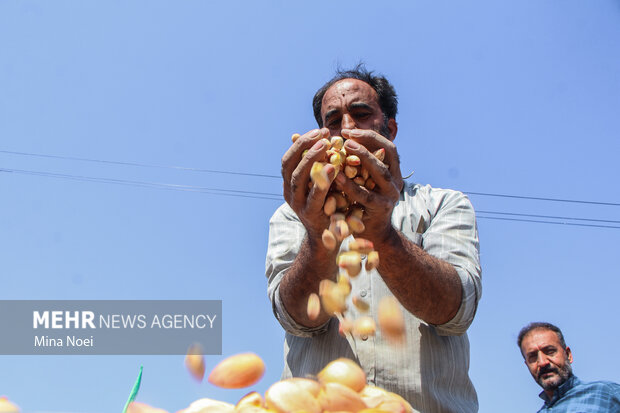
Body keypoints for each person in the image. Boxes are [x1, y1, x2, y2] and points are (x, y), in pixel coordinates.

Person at [265, 65, 482, 413]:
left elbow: (454, 310)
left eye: (361, 114)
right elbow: (295, 317)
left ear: (390, 129)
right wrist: (319, 238)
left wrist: (382, 234)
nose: (347, 129)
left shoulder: (442, 204)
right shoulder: (293, 215)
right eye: (333, 121)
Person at [518, 322, 620, 412]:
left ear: (568, 355)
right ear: (527, 365)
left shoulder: (606, 393)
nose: (542, 362)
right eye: (533, 357)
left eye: (550, 351)